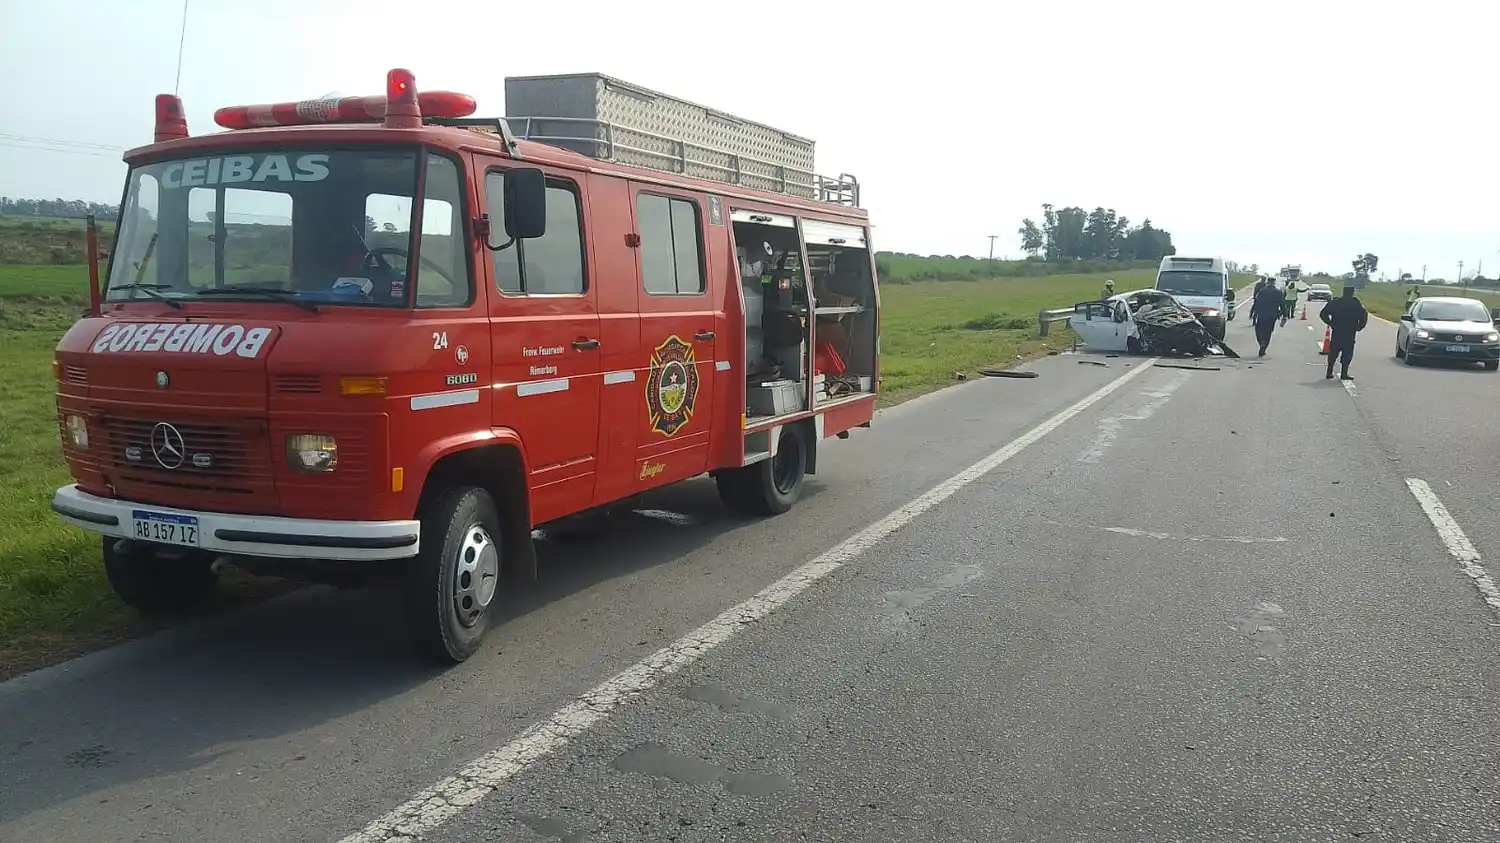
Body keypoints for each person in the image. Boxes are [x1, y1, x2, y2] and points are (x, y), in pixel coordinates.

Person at [1320, 284, 1369, 380]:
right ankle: (1344, 373)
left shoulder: (1336, 302)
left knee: (1333, 353)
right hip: (1349, 333)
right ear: (1352, 293)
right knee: (1347, 354)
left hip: (1337, 331)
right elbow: (1364, 316)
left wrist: (1330, 323)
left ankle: (1329, 372)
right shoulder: (1355, 303)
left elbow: (1323, 314)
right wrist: (1359, 327)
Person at [1251, 279, 1285, 356]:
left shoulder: (1262, 291)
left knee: (1259, 330)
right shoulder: (1279, 292)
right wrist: (1284, 316)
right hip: (1273, 316)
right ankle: (1264, 346)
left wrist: (1254, 313)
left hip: (1262, 314)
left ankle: (1262, 343)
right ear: (1274, 283)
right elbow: (1283, 305)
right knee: (1268, 332)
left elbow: (1256, 303)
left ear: (1268, 283)